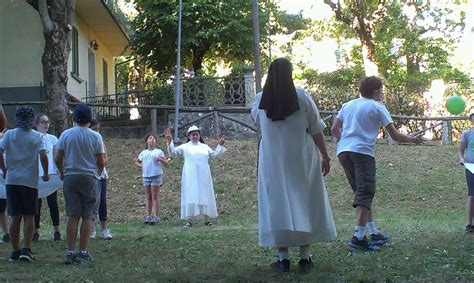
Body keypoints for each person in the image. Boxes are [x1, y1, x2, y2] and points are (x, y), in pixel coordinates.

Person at [251, 58, 336, 272]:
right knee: (304, 199)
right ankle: (305, 257)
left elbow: (257, 122)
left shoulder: (260, 101)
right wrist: (325, 156)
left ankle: (283, 258)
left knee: (277, 202)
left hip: (272, 160)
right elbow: (316, 129)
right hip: (302, 157)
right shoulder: (303, 97)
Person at [331, 76, 424, 252]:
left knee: (361, 193)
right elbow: (395, 136)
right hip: (362, 153)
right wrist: (414, 140)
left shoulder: (348, 105)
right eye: (381, 90)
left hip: (343, 151)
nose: (382, 93)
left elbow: (334, 129)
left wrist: (343, 141)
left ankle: (373, 232)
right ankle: (358, 238)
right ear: (375, 91)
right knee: (365, 193)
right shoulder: (377, 107)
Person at [55, 104, 106, 263]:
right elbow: (101, 161)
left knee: (73, 215)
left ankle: (70, 252)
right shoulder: (95, 136)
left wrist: (63, 173)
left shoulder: (66, 134)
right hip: (89, 176)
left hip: (70, 176)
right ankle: (83, 251)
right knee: (88, 215)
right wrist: (97, 173)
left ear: (74, 118)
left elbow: (57, 158)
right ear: (90, 120)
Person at [0, 106, 49, 262]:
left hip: (12, 180)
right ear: (33, 120)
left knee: (15, 216)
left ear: (17, 118)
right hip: (29, 181)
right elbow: (43, 156)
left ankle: (15, 250)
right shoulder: (37, 137)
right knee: (29, 216)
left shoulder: (9, 134)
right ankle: (26, 250)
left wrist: (4, 168)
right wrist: (46, 172)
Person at [164, 126, 225, 227]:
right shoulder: (185, 146)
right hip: (190, 175)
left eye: (197, 134)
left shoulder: (204, 147)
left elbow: (215, 155)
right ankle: (189, 220)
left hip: (204, 175)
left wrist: (220, 145)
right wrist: (170, 141)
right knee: (190, 195)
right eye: (193, 134)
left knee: (205, 194)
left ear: (199, 135)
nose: (195, 136)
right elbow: (173, 153)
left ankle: (207, 219)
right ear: (189, 136)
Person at [33, 114, 61, 242]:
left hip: (50, 176)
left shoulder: (53, 139)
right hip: (36, 176)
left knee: (52, 203)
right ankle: (35, 232)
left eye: (48, 122)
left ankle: (57, 232)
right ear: (36, 123)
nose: (46, 124)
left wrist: (57, 171)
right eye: (43, 122)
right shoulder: (33, 137)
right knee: (36, 205)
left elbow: (56, 157)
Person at [135, 133, 169, 225]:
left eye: (154, 139)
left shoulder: (159, 152)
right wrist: (142, 166)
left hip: (156, 175)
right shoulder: (144, 152)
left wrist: (160, 159)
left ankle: (156, 216)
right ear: (146, 141)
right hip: (146, 176)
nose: (152, 140)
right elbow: (137, 162)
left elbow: (166, 163)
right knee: (148, 196)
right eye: (150, 138)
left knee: (155, 195)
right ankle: (148, 216)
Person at [89, 120, 113, 239]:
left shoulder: (100, 140)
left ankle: (104, 228)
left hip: (102, 175)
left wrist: (102, 164)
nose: (97, 132)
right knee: (92, 201)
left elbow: (105, 158)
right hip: (90, 175)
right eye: (94, 129)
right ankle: (91, 229)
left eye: (98, 129)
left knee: (102, 201)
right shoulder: (86, 141)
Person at [459, 112, 474, 233]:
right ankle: (469, 224)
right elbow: (461, 151)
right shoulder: (467, 134)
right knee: (472, 194)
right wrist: (461, 159)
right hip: (471, 167)